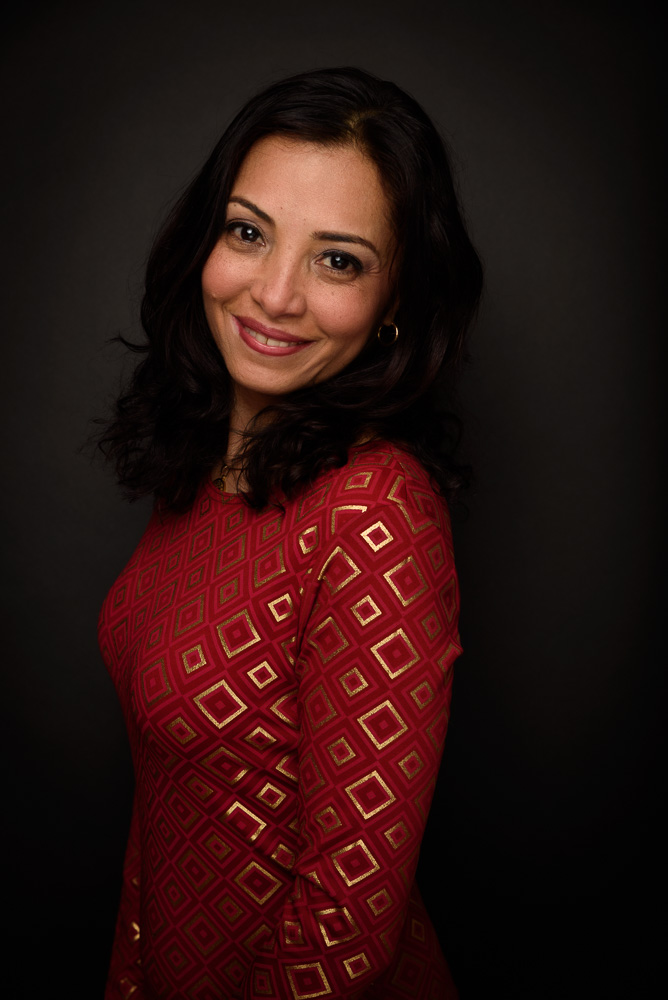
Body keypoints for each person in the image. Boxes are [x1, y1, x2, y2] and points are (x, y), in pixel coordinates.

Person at [98, 66, 482, 1000]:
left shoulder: (374, 510)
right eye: (249, 232)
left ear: (396, 301)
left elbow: (346, 925)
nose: (274, 294)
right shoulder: (206, 472)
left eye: (337, 260)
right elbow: (174, 805)